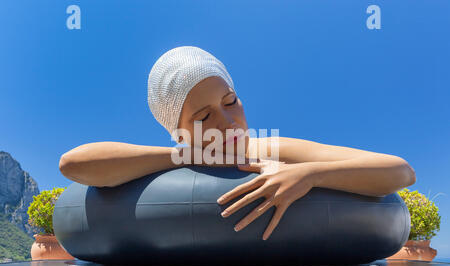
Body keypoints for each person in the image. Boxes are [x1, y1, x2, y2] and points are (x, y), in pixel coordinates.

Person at [59, 46, 416, 240]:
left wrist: (308, 175)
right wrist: (190, 155)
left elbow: (400, 172)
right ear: (178, 128)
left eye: (230, 102)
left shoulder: (268, 149)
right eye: (203, 117)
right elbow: (73, 164)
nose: (227, 122)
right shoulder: (174, 155)